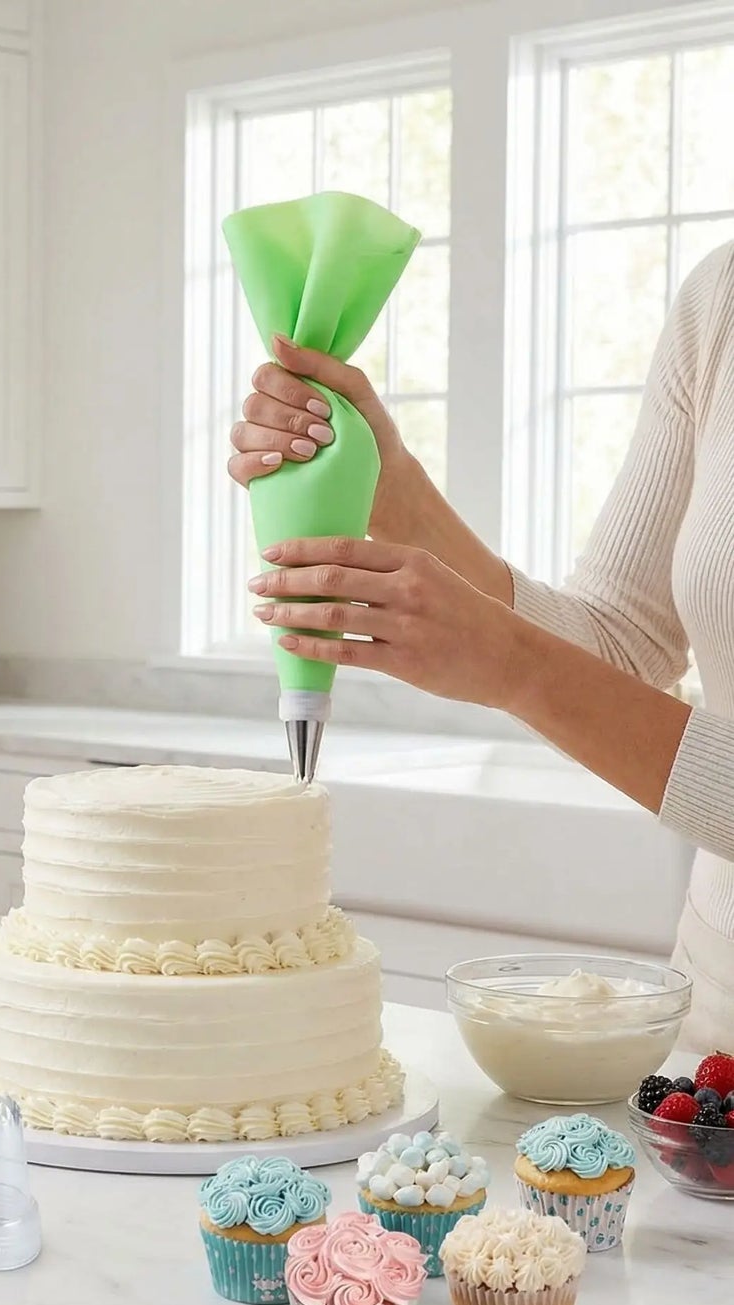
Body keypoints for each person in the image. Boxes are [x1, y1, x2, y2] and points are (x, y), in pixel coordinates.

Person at [227, 244, 734, 1049]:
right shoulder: (721, 300)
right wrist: (390, 491)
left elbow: (548, 668)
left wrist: (515, 666)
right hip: (712, 1015)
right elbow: (620, 643)